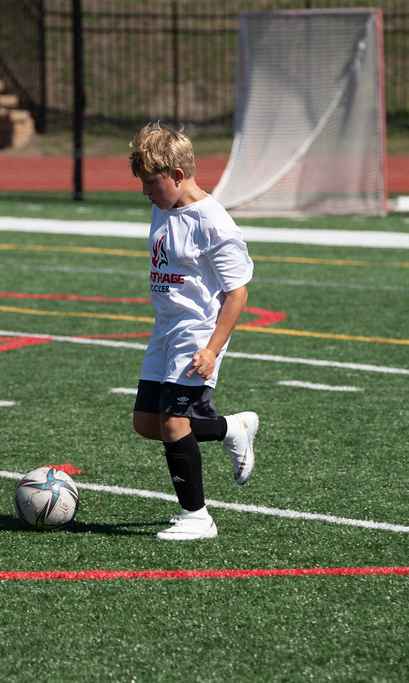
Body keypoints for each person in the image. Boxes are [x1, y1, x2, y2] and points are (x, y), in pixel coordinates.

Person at [128, 122, 258, 541]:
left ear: (178, 176)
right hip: (164, 329)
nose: (145, 191)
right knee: (147, 423)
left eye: (151, 182)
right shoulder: (164, 206)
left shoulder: (213, 223)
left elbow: (237, 293)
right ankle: (230, 428)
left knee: (172, 424)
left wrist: (212, 349)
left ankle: (197, 517)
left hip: (197, 334)